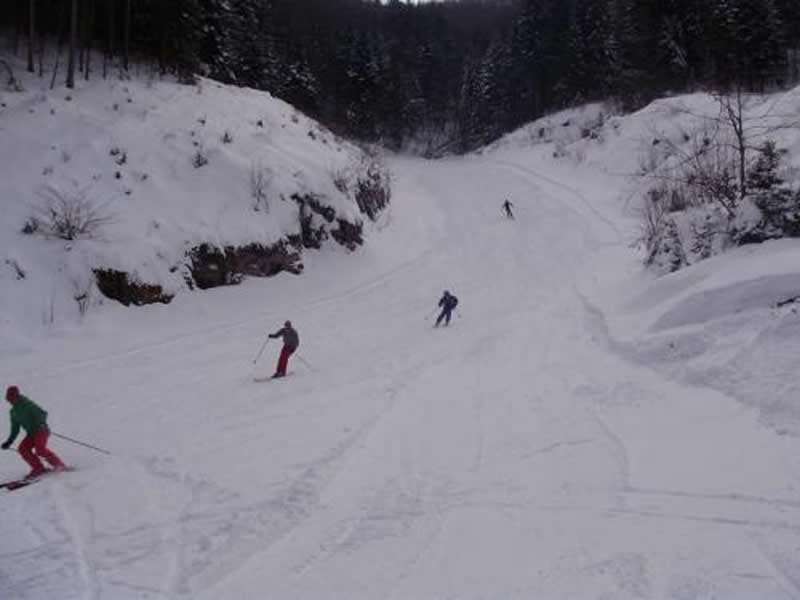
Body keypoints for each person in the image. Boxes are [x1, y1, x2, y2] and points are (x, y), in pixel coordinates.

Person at [1, 386, 67, 479]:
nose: (11, 400)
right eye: (9, 398)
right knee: (22, 448)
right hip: (31, 434)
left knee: (40, 449)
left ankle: (59, 465)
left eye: (12, 397)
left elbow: (42, 413)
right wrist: (9, 441)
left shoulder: (27, 404)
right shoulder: (13, 412)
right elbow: (15, 429)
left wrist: (41, 424)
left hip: (41, 430)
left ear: (17, 396)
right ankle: (38, 468)